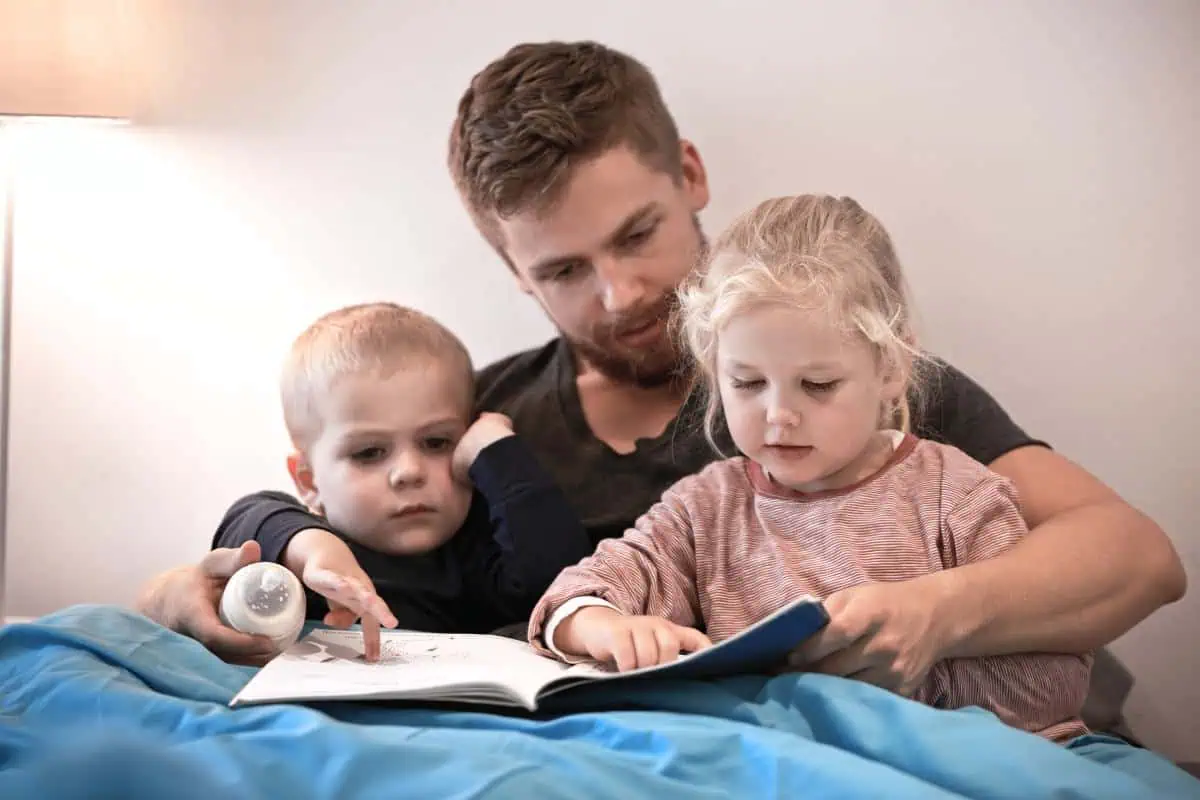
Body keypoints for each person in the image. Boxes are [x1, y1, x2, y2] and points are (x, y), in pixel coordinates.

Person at [137, 40, 1184, 704]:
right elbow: (315, 530)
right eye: (563, 269)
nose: (621, 292)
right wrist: (199, 594)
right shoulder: (477, 424)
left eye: (638, 232)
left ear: (689, 175)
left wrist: (939, 611)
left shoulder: (844, 381)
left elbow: (1135, 557)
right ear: (512, 271)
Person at [528, 193, 1092, 742]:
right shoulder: (705, 508)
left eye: (817, 385)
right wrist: (606, 627)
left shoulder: (959, 495)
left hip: (946, 761)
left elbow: (1052, 690)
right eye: (746, 383)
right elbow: (578, 594)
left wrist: (926, 659)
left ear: (891, 367)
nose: (779, 415)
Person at [208, 301, 591, 660]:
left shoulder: (483, 548)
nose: (409, 471)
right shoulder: (315, 560)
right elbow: (249, 520)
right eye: (369, 452)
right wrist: (313, 551)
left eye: (437, 442)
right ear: (309, 481)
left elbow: (566, 582)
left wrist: (500, 456)